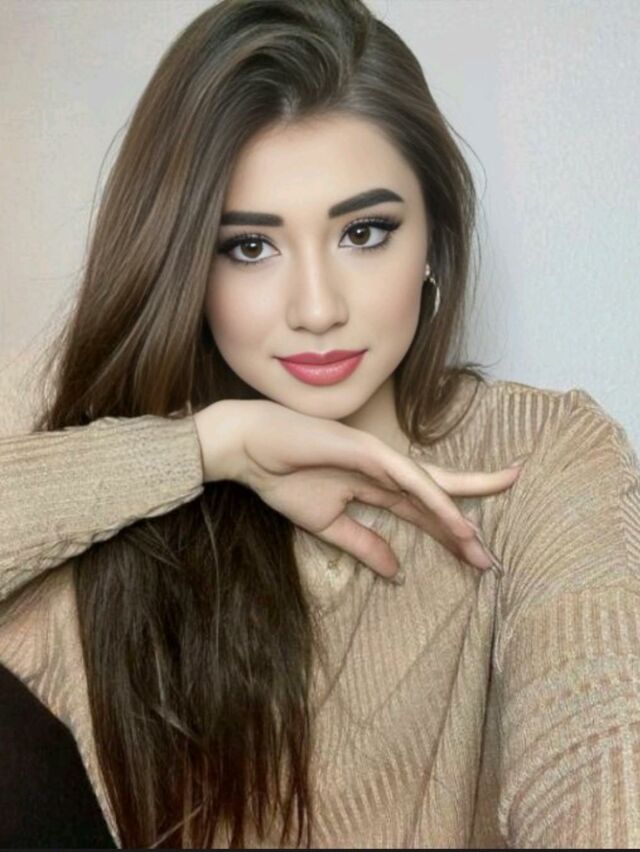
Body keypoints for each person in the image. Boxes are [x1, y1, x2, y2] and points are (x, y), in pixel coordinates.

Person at [0, 0, 638, 848]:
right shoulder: (124, 520)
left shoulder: (542, 456)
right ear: (186, 264)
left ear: (434, 240)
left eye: (364, 232)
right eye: (249, 247)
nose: (316, 309)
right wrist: (208, 447)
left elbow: (599, 753)